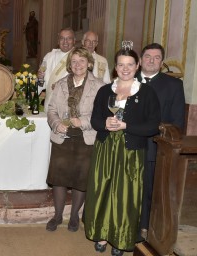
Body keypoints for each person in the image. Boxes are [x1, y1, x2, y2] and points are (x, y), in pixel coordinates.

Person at [84, 45, 161, 255]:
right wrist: (105, 124)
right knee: (102, 192)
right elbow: (94, 119)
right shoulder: (104, 90)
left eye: (129, 64)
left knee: (124, 197)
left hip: (131, 151)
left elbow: (154, 125)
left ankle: (120, 238)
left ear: (137, 66)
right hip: (106, 147)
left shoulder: (146, 93)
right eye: (120, 64)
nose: (125, 68)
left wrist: (127, 126)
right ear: (115, 67)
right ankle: (100, 233)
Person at [46, 47, 104, 232]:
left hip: (85, 138)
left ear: (89, 63)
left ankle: (73, 217)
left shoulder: (100, 86)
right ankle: (57, 215)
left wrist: (82, 122)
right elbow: (51, 110)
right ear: (69, 65)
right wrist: (56, 124)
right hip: (62, 137)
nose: (78, 65)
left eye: (82, 61)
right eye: (74, 61)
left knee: (81, 179)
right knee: (59, 179)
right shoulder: (61, 84)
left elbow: (100, 115)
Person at [136, 43, 185, 239]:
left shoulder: (173, 85)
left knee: (147, 190)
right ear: (140, 60)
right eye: (148, 56)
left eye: (157, 58)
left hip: (153, 148)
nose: (151, 60)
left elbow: (177, 122)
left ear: (162, 62)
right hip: (125, 146)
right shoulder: (125, 79)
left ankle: (143, 228)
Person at [38, 27, 76, 112]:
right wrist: (40, 78)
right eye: (62, 38)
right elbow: (41, 83)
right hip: (49, 105)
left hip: (68, 106)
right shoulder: (49, 56)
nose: (65, 41)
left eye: (69, 38)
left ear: (74, 41)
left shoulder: (79, 57)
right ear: (58, 41)